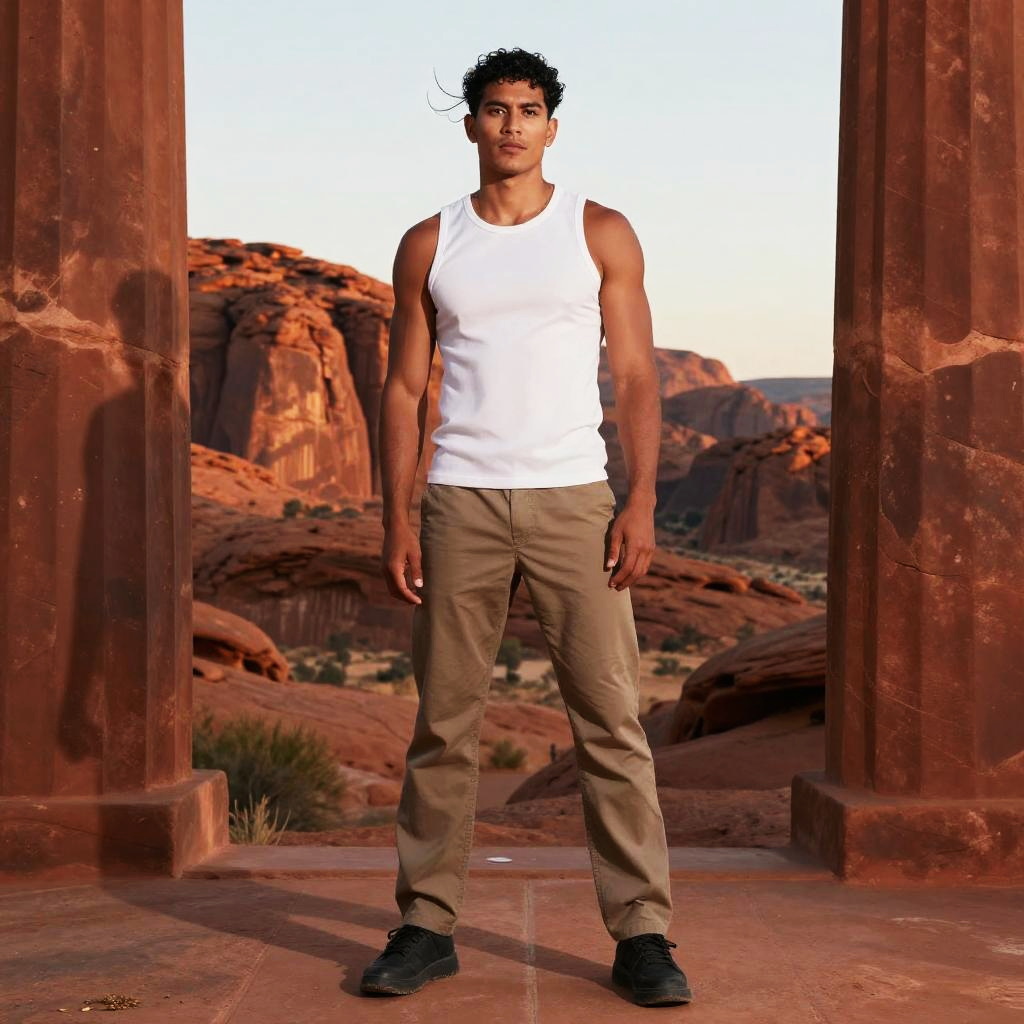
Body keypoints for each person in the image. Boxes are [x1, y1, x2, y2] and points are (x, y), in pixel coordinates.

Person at [362, 46, 693, 1008]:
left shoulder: (600, 231)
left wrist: (639, 499)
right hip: (459, 498)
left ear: (553, 126)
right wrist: (397, 514)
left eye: (530, 109)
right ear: (470, 123)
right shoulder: (431, 243)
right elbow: (404, 388)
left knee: (611, 722)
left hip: (572, 501)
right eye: (497, 109)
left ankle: (643, 934)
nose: (513, 125)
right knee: (443, 725)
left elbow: (636, 375)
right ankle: (426, 927)